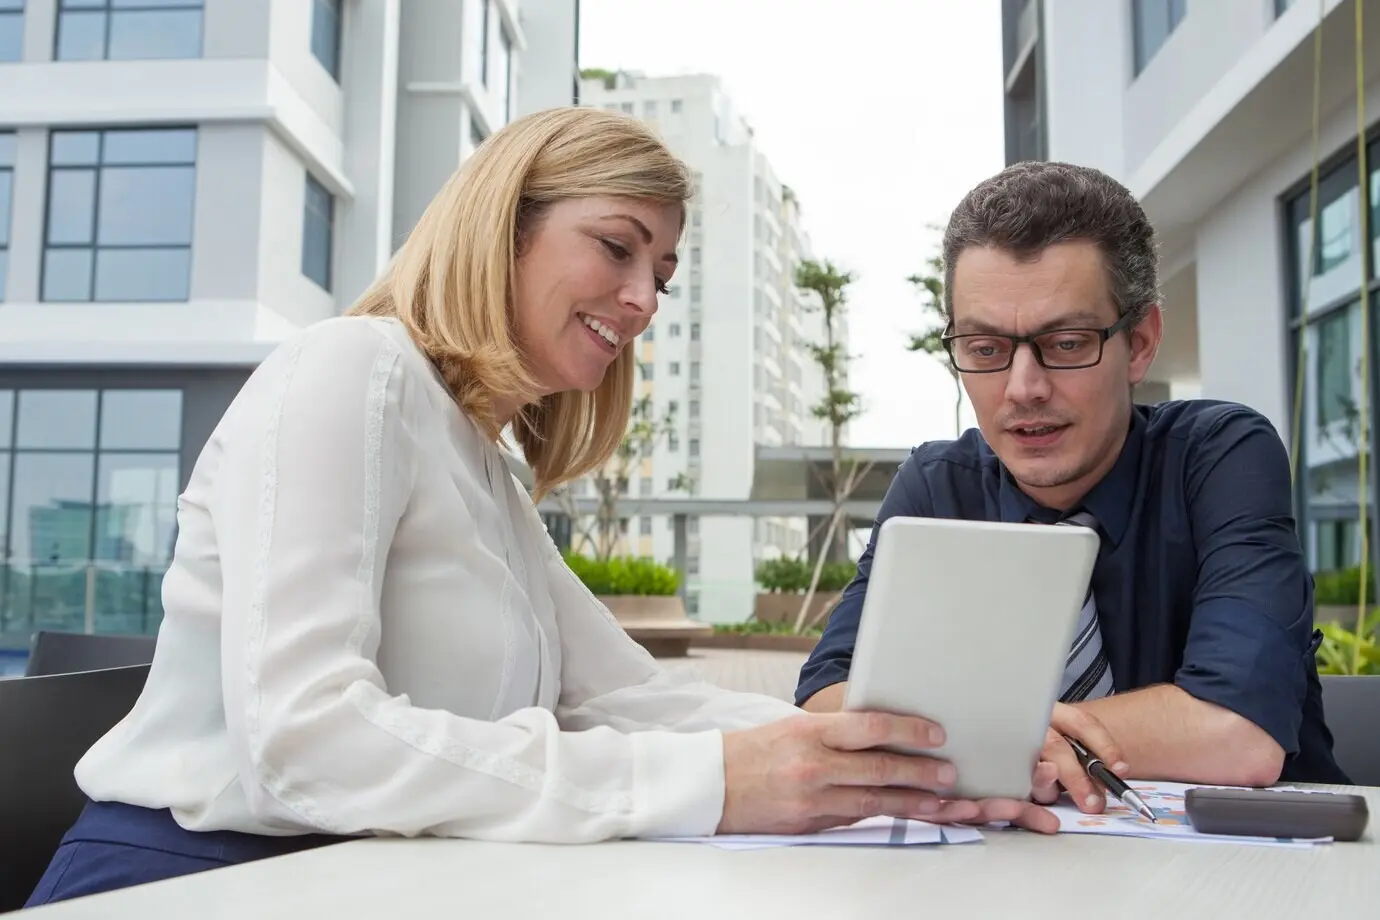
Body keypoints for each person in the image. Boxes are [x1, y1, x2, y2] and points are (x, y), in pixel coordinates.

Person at [27, 109, 1079, 908]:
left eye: (661, 273)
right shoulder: (350, 372)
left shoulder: (478, 461)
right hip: (192, 884)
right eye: (617, 246)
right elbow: (306, 739)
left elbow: (628, 699)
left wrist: (906, 754)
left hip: (362, 881)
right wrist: (716, 780)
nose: (642, 298)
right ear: (505, 224)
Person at [796, 160, 1350, 796]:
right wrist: (1023, 738)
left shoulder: (1219, 456)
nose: (1023, 389)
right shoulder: (937, 487)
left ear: (1139, 343)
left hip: (1259, 872)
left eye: (1065, 343)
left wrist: (1004, 737)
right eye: (984, 350)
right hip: (1014, 868)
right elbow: (823, 704)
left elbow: (1238, 735)